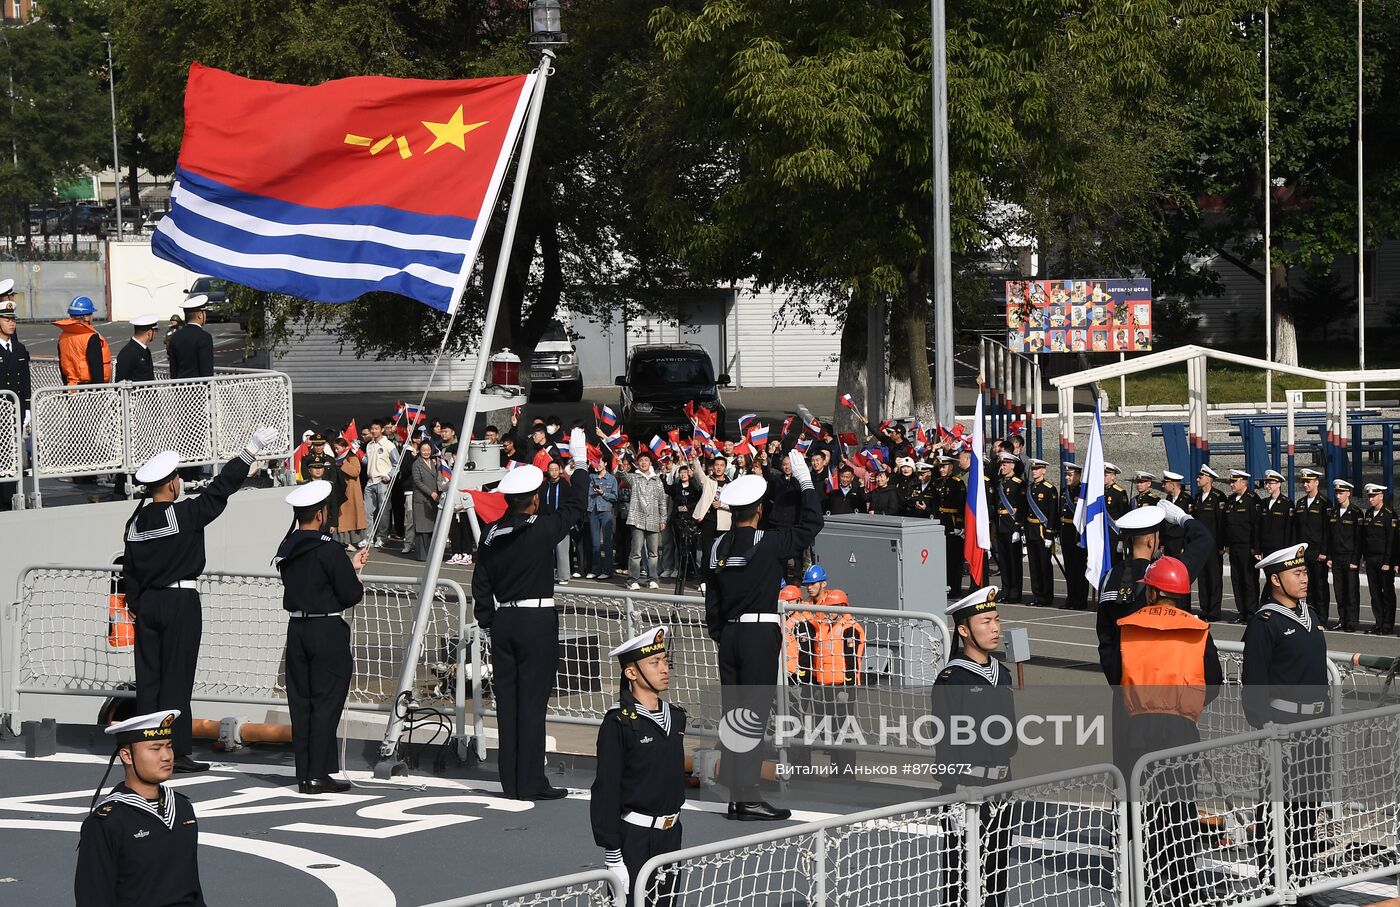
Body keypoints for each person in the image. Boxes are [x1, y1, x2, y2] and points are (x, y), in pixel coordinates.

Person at [123, 428, 278, 772]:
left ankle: (146, 749)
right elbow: (220, 489)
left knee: (149, 681)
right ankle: (173, 753)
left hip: (147, 604)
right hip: (180, 601)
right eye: (177, 477)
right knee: (177, 680)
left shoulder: (134, 523)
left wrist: (136, 603)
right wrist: (249, 450)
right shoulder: (183, 515)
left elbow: (129, 570)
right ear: (171, 484)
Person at [706, 452, 823, 821]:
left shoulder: (716, 546)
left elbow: (713, 599)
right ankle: (749, 797)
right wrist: (805, 483)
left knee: (733, 717)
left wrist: (721, 633)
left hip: (730, 636)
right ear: (757, 509)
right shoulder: (768, 541)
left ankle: (738, 795)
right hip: (758, 633)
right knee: (752, 718)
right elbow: (812, 524)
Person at [472, 433, 588, 800]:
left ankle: (513, 781)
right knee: (533, 704)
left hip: (503, 622)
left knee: (508, 705)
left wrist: (489, 619)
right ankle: (532, 782)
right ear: (535, 499)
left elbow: (480, 582)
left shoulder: (491, 533)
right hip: (535, 622)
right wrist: (580, 466)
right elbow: (576, 507)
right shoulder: (541, 527)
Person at [1114, 555, 1223, 904]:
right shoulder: (1198, 629)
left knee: (1145, 810)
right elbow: (1215, 682)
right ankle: (1181, 886)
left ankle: (1147, 883)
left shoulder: (1127, 627)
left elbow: (1118, 673)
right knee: (1181, 810)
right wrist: (1186, 705)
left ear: (1152, 593)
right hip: (1181, 728)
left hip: (1139, 727)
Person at [1242, 543, 1331, 906]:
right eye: (1297, 573)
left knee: (1310, 807)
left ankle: (1303, 881)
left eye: (1306, 571)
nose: (1305, 577)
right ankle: (1272, 882)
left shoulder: (1307, 614)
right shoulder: (1266, 623)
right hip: (1282, 728)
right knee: (1276, 806)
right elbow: (1254, 685)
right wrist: (1265, 729)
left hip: (1315, 726)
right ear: (1276, 579)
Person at [274, 480, 370, 794]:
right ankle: (318, 774)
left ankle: (309, 772)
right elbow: (349, 594)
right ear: (320, 513)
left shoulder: (287, 547)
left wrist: (347, 565)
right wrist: (353, 571)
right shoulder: (329, 548)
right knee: (327, 702)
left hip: (297, 629)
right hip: (326, 629)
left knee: (301, 703)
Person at [931, 586, 1016, 907]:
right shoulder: (953, 679)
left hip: (1001, 785)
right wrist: (956, 792)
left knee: (996, 873)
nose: (995, 628)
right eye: (985, 622)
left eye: (996, 620)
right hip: (966, 787)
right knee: (962, 877)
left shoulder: (1001, 675)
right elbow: (947, 743)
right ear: (964, 630)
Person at [591, 627, 687, 905]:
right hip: (634, 838)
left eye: (665, 661)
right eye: (654, 663)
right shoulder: (618, 723)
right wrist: (613, 854)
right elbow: (606, 789)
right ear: (631, 673)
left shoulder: (676, 717)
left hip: (671, 833)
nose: (664, 669)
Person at [76, 709, 206, 906]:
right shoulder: (107, 822)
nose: (166, 756)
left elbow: (192, 887)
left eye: (168, 747)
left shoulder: (182, 808)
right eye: (155, 748)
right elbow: (93, 898)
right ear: (127, 756)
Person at [784, 565, 862, 772]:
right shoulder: (808, 612)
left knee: (841, 728)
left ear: (823, 584)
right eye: (807, 584)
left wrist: (848, 685)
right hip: (816, 679)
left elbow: (852, 659)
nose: (809, 588)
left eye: (813, 584)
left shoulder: (842, 621)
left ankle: (843, 770)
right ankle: (813, 766)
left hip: (839, 684)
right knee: (817, 725)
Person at [0, 286, 32, 511]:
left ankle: (9, 498)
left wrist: (27, 407)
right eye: (6, 319)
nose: (11, 323)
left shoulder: (19, 349)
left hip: (15, 411)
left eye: (13, 319)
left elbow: (25, 380)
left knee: (12, 454)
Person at [1292, 468, 1331, 627]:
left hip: (1317, 552)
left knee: (1320, 586)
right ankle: (1308, 615)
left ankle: (1322, 617)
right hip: (1303, 553)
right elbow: (1296, 529)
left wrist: (1324, 552)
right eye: (1304, 482)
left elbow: (1327, 531)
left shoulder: (1324, 503)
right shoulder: (1300, 503)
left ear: (1317, 482)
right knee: (1305, 587)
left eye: (1309, 481)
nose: (1306, 485)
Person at [1222, 469, 1261, 622]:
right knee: (1236, 579)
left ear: (1243, 482)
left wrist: (1256, 548)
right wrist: (1226, 544)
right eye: (1231, 481)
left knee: (1249, 580)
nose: (1231, 484)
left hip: (1247, 547)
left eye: (1234, 481)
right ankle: (1242, 611)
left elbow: (1256, 526)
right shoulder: (1231, 500)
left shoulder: (1252, 499)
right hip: (1234, 546)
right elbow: (1226, 525)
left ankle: (1251, 612)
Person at [625, 451, 667, 590]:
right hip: (637, 518)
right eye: (641, 460)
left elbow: (662, 502)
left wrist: (663, 519)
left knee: (653, 552)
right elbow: (624, 476)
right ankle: (632, 580)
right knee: (636, 551)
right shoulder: (635, 478)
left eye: (646, 460)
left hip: (654, 519)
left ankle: (652, 578)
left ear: (650, 463)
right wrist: (620, 466)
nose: (643, 462)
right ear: (637, 463)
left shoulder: (657, 480)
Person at [1327, 479, 1363, 632]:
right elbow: (1329, 536)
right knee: (1339, 591)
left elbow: (1358, 539)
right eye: (1336, 492)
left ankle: (1352, 622)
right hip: (1336, 557)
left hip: (1349, 557)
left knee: (1351, 591)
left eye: (1341, 493)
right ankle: (1342, 619)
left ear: (1348, 493)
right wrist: (1329, 557)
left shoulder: (1356, 513)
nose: (1338, 495)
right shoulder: (1333, 512)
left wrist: (1355, 559)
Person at [1359, 484, 1396, 634]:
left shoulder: (1389, 514)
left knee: (1387, 593)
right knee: (1374, 594)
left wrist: (1388, 562)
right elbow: (1366, 538)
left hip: (1383, 560)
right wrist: (1365, 558)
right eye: (1369, 496)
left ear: (1381, 496)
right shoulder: (1368, 514)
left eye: (1373, 496)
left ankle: (1387, 625)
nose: (1371, 499)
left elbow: (1391, 540)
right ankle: (1378, 622)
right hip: (1371, 559)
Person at [1193, 465, 1227, 621]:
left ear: (1208, 479)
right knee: (1203, 578)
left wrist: (1221, 545)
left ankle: (1214, 611)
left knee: (1214, 578)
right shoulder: (1198, 497)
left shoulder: (1218, 497)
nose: (1197, 480)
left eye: (1200, 477)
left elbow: (1221, 523)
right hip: (1201, 545)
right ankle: (1204, 608)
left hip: (1213, 545)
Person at [992, 452, 1026, 602]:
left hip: (1012, 527)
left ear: (1012, 465)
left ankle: (1015, 592)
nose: (1002, 466)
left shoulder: (1019, 484)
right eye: (1001, 464)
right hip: (1001, 526)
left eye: (1005, 464)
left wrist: (1018, 527)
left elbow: (1021, 507)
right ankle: (1005, 590)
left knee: (1014, 562)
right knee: (1004, 561)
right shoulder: (1000, 483)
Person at [1023, 458, 1057, 607]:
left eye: (1037, 469)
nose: (1034, 471)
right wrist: (1024, 531)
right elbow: (1026, 511)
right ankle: (1037, 595)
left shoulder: (1049, 489)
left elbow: (1053, 513)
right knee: (1034, 566)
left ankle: (1046, 596)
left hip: (1043, 532)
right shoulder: (1030, 488)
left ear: (1044, 470)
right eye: (1033, 469)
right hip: (1031, 531)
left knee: (1044, 565)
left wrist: (1050, 533)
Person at [55, 295, 111, 385]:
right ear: (86, 317)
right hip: (88, 388)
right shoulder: (91, 337)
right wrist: (100, 390)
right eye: (91, 314)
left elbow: (62, 365)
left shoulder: (63, 336)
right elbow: (96, 368)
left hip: (70, 386)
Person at [362, 419, 398, 548]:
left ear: (382, 429)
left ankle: (382, 537)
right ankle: (368, 537)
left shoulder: (389, 445)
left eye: (376, 428)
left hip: (383, 482)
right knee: (367, 511)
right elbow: (366, 460)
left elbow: (397, 463)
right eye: (372, 429)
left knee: (383, 512)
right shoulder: (369, 445)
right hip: (370, 482)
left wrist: (389, 476)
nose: (373, 431)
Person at [1257, 470, 1293, 596]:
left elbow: (1289, 529)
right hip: (1267, 548)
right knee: (1269, 577)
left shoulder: (1286, 503)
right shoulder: (1264, 503)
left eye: (1271, 483)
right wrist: (1258, 549)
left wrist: (1288, 551)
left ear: (1279, 484)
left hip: (1280, 549)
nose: (1268, 486)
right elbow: (1259, 527)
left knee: (1278, 579)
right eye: (1267, 483)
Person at [934, 455, 966, 595]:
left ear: (951, 468)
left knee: (954, 558)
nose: (942, 469)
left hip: (952, 523)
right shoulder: (938, 482)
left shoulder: (957, 483)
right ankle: (944, 585)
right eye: (940, 466)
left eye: (944, 466)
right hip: (940, 522)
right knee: (942, 557)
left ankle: (955, 588)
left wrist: (959, 525)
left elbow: (961, 505)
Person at [1059, 462, 1089, 609]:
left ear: (1078, 475)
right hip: (1066, 534)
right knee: (1069, 570)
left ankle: (1080, 600)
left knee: (1079, 570)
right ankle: (1070, 598)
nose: (1067, 477)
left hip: (1077, 535)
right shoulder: (1065, 491)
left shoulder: (1083, 492)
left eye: (1070, 475)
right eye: (1066, 475)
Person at [539, 460, 574, 583]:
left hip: (561, 521)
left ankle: (563, 576)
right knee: (546, 551)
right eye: (551, 469)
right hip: (546, 521)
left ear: (560, 470)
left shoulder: (565, 485)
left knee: (562, 550)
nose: (553, 472)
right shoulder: (543, 486)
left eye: (556, 469)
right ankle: (547, 574)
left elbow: (570, 504)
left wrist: (569, 520)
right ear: (548, 471)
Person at [585, 455, 619, 579]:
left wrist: (603, 493)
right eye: (594, 463)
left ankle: (608, 571)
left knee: (607, 542)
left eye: (599, 462)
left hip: (606, 511)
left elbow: (615, 497)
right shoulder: (590, 477)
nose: (596, 465)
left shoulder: (611, 479)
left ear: (605, 463)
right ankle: (595, 569)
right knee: (595, 543)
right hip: (592, 510)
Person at [330, 436, 367, 547]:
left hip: (351, 492)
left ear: (345, 447)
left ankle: (357, 540)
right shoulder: (336, 459)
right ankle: (344, 541)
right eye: (335, 449)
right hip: (340, 491)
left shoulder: (351, 457)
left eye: (338, 448)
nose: (336, 451)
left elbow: (356, 471)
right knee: (343, 517)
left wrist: (344, 464)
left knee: (354, 516)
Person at [166, 294, 214, 380]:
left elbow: (173, 369)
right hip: (199, 388)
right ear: (200, 315)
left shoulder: (175, 336)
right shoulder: (204, 337)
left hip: (180, 388)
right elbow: (206, 369)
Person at [410, 438, 441, 562]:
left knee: (431, 528)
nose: (426, 452)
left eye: (428, 450)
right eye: (423, 450)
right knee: (422, 529)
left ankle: (430, 554)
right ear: (419, 451)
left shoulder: (433, 462)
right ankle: (422, 556)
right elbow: (417, 482)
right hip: (422, 499)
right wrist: (431, 492)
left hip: (433, 500)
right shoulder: (416, 464)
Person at [1158, 471, 1194, 557]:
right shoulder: (1168, 499)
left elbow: (1189, 524)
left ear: (1173, 485)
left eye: (1165, 483)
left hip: (1179, 541)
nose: (1163, 486)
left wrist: (1185, 544)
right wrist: (1162, 543)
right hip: (1168, 540)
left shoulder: (1187, 500)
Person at [114, 314, 158, 383]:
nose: (156, 333)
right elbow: (120, 381)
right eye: (155, 330)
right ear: (149, 333)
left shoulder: (145, 350)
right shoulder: (128, 352)